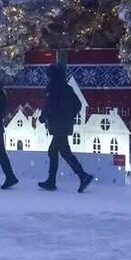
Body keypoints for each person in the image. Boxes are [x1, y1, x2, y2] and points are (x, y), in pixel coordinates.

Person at [38, 64, 94, 193]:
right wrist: (68, 115)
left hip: (57, 125)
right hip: (65, 124)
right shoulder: (67, 88)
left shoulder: (52, 88)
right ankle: (52, 180)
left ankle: (82, 176)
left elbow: (49, 105)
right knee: (57, 151)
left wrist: (44, 116)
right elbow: (78, 105)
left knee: (61, 151)